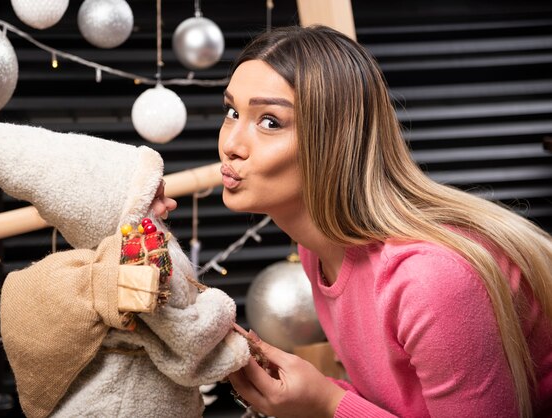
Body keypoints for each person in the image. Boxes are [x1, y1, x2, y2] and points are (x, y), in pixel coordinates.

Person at [219, 25, 552, 418]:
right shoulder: (315, 249)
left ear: (333, 141)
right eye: (233, 112)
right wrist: (316, 394)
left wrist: (327, 404)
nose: (230, 144)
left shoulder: (430, 281)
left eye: (270, 121)